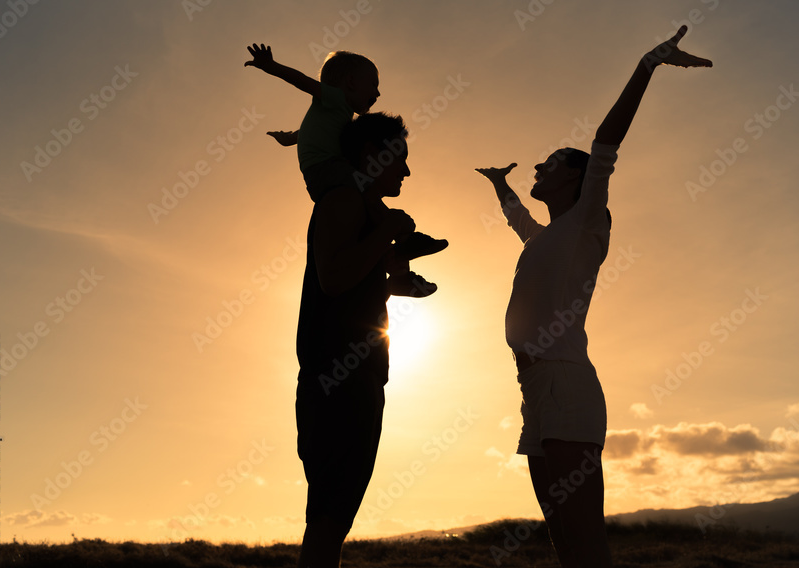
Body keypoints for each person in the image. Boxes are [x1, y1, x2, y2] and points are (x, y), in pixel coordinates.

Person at [476, 26, 711, 567]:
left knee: (585, 543)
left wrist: (647, 65)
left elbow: (606, 143)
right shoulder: (546, 235)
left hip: (566, 382)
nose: (538, 166)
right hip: (535, 387)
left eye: (552, 161)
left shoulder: (587, 223)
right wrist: (499, 186)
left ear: (578, 178)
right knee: (564, 544)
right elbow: (519, 221)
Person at [292, 111, 416, 568]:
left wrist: (397, 279)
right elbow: (334, 278)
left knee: (334, 515)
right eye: (399, 159)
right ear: (370, 154)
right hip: (336, 380)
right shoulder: (343, 200)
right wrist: (387, 233)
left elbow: (353, 282)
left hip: (354, 378)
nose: (405, 171)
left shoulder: (361, 208)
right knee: (329, 515)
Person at [245, 43, 445, 296]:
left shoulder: (337, 115)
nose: (378, 94)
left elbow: (310, 130)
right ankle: (402, 240)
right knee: (367, 192)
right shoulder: (335, 99)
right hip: (326, 168)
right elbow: (302, 81)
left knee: (368, 201)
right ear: (350, 82)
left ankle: (399, 267)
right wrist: (271, 67)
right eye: (373, 85)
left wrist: (290, 138)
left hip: (322, 172)